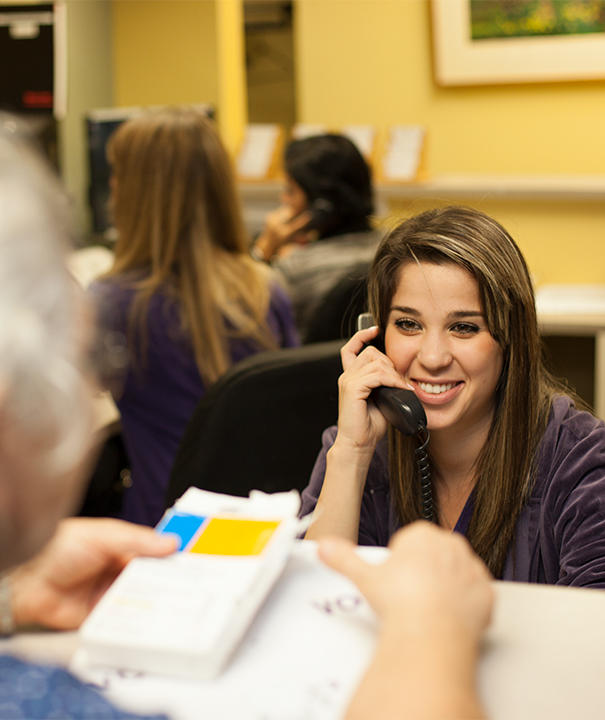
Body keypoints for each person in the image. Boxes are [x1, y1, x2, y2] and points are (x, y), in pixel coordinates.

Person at [0, 123, 491, 719]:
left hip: (171, 526)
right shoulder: (263, 288)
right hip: (260, 528)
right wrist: (431, 634)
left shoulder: (122, 302)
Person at [302, 205, 605, 592]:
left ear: (509, 340)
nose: (433, 357)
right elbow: (309, 610)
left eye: (464, 327)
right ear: (376, 335)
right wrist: (352, 453)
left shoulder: (574, 452)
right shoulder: (359, 443)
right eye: (408, 324)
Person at [90, 108, 299, 527]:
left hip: (162, 530)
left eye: (118, 174)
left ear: (135, 193)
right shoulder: (265, 288)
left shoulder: (113, 303)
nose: (111, 186)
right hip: (253, 525)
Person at [252, 133, 382, 341]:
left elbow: (243, 319)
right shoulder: (392, 251)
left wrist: (263, 251)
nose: (283, 199)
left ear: (321, 207)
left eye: (290, 191)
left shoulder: (293, 270)